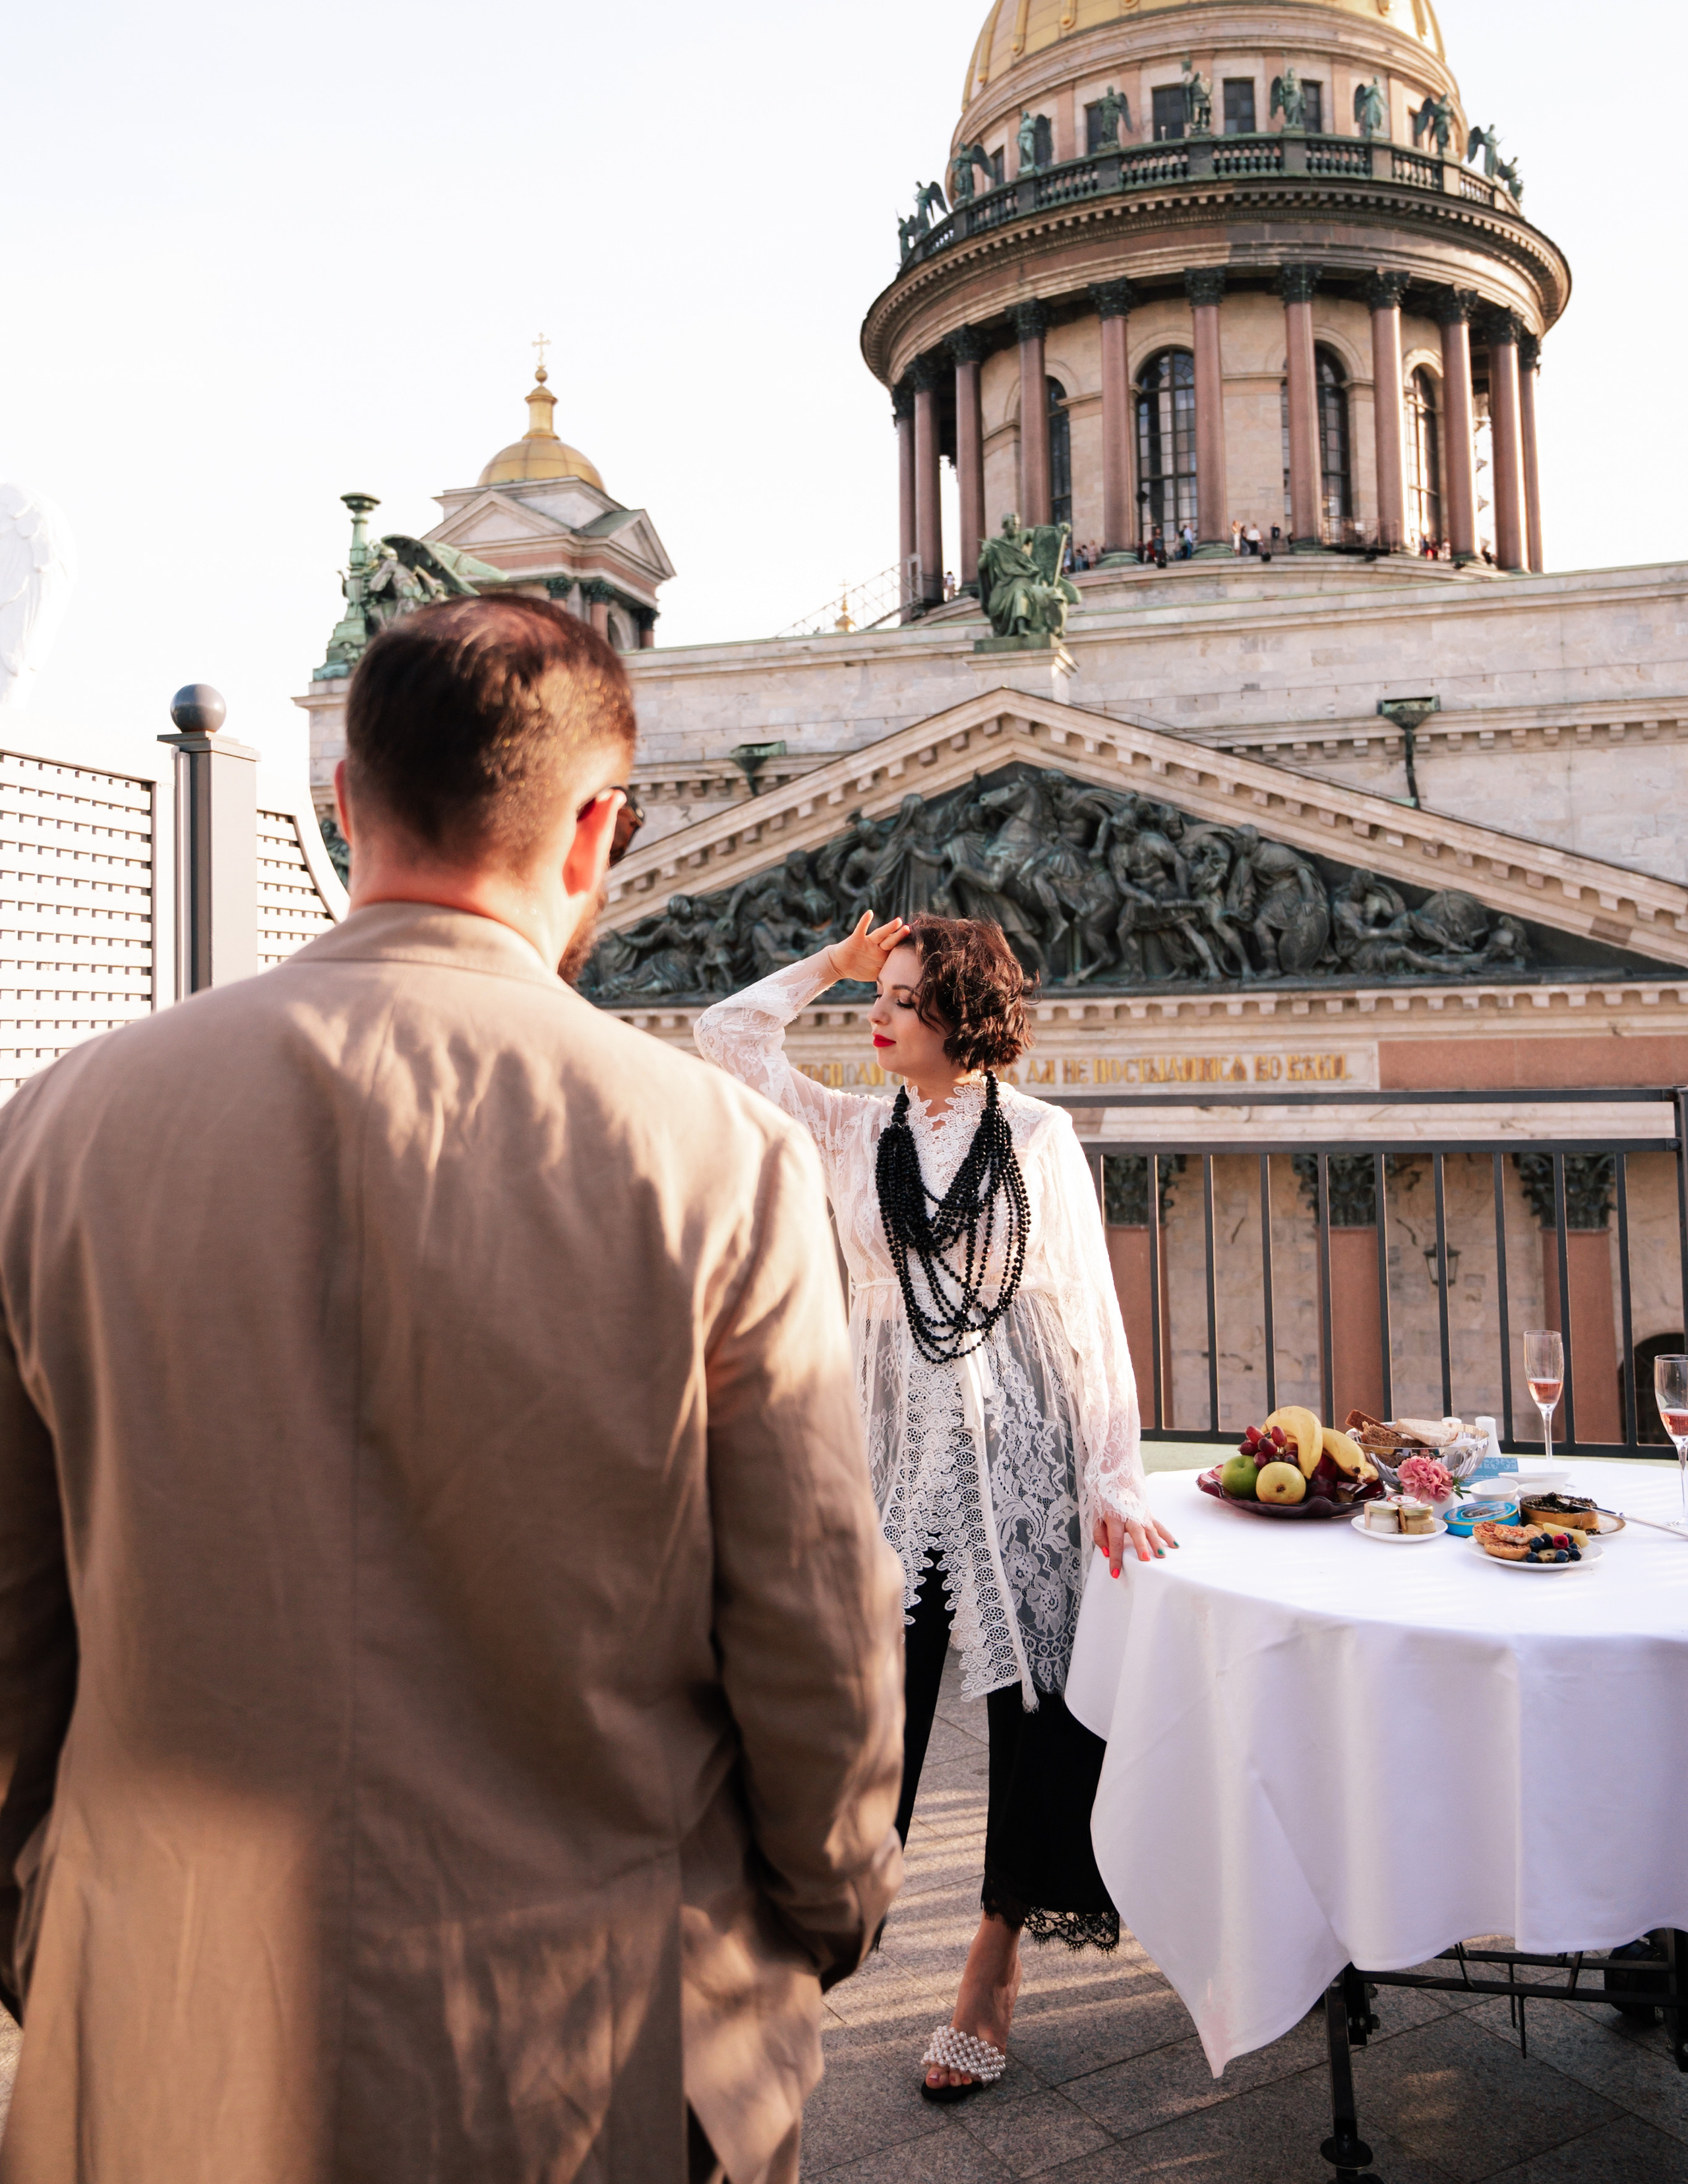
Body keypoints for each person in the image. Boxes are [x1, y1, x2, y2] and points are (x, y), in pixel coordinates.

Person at [0, 596, 905, 2184]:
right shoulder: (718, 1158)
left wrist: (55, 1923)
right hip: (580, 2043)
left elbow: (9, 1629)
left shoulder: (61, 1128)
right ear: (597, 828)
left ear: (343, 803)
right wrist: (816, 1919)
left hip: (159, 2026)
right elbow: (813, 1630)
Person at [694, 913, 1172, 2105]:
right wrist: (833, 967)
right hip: (890, 1453)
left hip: (1028, 1449)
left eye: (906, 998)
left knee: (1034, 1707)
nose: (884, 1012)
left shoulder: (1044, 1138)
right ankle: (799, 1952)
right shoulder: (855, 1128)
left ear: (961, 1016)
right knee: (866, 1700)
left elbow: (1092, 1319)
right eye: (886, 992)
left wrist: (1114, 1476)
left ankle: (992, 1969)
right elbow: (725, 1033)